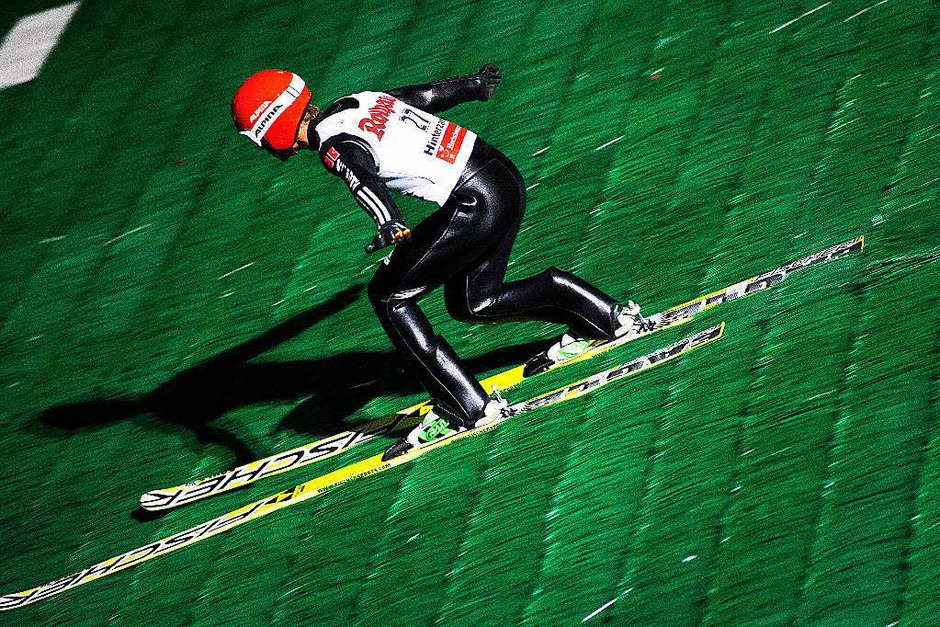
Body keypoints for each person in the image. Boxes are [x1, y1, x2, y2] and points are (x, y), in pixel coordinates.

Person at [231, 65, 644, 460]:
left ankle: (464, 406)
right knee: (474, 301)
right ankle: (603, 318)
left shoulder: (333, 144)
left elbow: (360, 175)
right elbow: (424, 96)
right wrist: (474, 85)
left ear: (274, 125)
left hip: (475, 202)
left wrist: (388, 220)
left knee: (389, 297)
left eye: (259, 136)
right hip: (500, 177)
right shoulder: (357, 102)